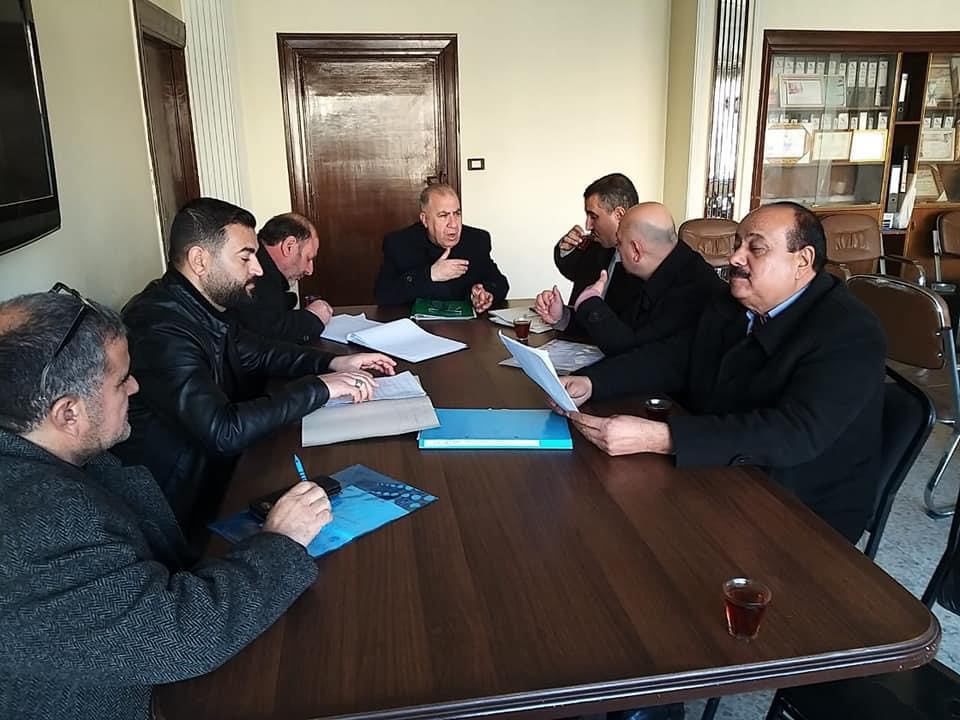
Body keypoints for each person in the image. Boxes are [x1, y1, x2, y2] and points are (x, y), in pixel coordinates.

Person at [0, 288, 332, 720]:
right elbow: (181, 635)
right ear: (69, 414)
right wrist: (280, 541)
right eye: (121, 380)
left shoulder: (45, 455)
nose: (135, 386)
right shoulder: (34, 524)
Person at [556, 202, 886, 542]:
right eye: (737, 244)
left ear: (802, 260)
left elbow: (792, 432)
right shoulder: (732, 303)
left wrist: (662, 437)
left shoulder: (849, 330)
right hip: (720, 467)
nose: (735, 258)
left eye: (756, 248)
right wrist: (593, 381)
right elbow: (675, 358)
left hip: (799, 508)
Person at [113, 197, 396, 529]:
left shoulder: (203, 306)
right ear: (200, 260)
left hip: (217, 474)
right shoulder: (159, 328)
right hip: (183, 509)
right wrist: (319, 388)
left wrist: (335, 363)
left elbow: (260, 352)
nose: (258, 269)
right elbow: (222, 430)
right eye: (245, 257)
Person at [534, 202, 723, 355]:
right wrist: (563, 316)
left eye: (619, 244)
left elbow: (632, 351)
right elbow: (616, 327)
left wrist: (591, 304)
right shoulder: (652, 268)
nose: (617, 251)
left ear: (636, 251)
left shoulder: (693, 289)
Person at [374, 184, 509, 311]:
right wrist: (430, 274)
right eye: (443, 216)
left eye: (457, 214)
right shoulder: (400, 243)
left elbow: (500, 284)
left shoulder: (476, 240)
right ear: (425, 219)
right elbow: (383, 295)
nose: (453, 224)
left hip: (464, 325)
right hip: (416, 325)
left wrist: (485, 293)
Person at [551, 173, 645, 317]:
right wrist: (566, 249)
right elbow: (573, 269)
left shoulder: (646, 264)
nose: (588, 226)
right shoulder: (597, 246)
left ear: (619, 215)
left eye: (594, 217)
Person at [232, 212, 333, 344]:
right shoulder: (255, 273)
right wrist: (312, 318)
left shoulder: (263, 265)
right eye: (308, 259)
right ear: (289, 246)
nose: (310, 271)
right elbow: (268, 335)